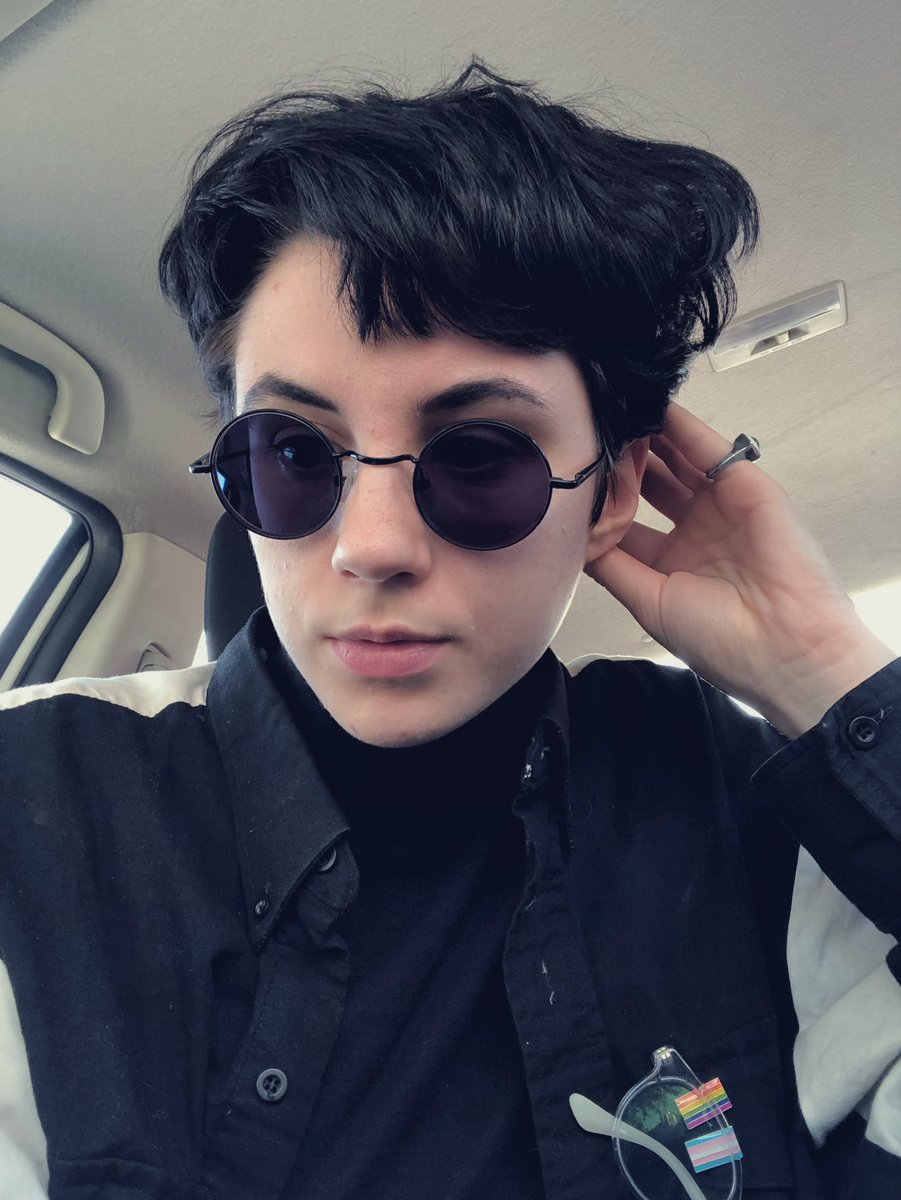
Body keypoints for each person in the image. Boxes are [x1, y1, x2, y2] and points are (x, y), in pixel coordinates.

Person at [1, 60, 899, 1200]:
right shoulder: (41, 795)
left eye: (478, 456)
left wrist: (824, 670)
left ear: (612, 492)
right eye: (294, 451)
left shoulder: (747, 799)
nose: (371, 545)